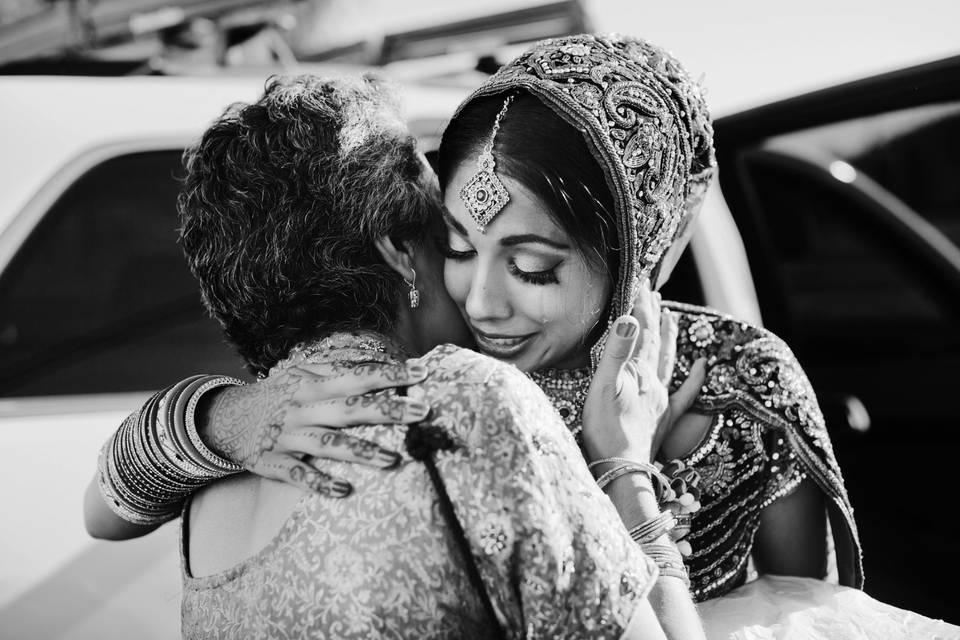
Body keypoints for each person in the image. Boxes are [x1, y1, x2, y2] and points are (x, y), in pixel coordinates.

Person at [89, 72, 706, 638]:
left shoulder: (216, 476)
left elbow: (104, 509)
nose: (482, 300)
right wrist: (623, 465)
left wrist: (216, 416)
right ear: (401, 251)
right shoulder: (462, 402)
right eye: (454, 243)